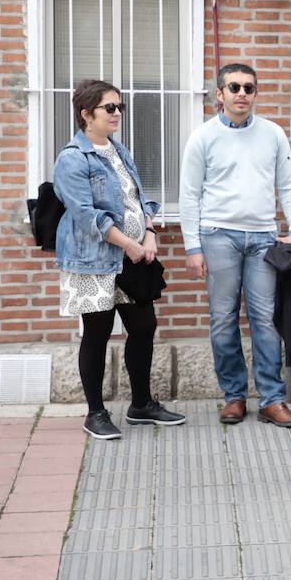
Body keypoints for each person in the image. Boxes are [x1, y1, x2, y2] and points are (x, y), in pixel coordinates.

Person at [54, 79, 185, 439]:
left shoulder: (117, 149)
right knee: (97, 333)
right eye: (109, 108)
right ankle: (95, 413)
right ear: (85, 114)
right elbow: (86, 215)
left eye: (119, 107)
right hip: (94, 259)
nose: (117, 114)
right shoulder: (72, 158)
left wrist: (149, 231)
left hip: (132, 254)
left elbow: (137, 198)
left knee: (143, 326)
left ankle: (140, 404)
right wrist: (128, 243)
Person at [179, 63, 291, 428]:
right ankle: (233, 396)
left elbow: (289, 184)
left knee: (266, 320)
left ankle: (272, 399)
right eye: (233, 87)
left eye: (249, 88)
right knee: (223, 319)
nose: (242, 94)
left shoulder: (272, 134)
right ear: (219, 94)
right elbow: (189, 195)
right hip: (218, 236)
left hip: (264, 238)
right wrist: (192, 247)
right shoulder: (203, 137)